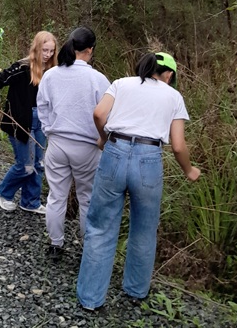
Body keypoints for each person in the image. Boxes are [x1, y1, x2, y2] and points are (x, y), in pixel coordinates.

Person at [76, 52, 201, 311]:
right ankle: (136, 290)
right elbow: (178, 146)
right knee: (144, 229)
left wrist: (103, 139)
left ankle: (90, 298)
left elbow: (99, 114)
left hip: (115, 151)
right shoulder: (173, 96)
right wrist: (189, 171)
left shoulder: (121, 84)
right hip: (149, 159)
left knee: (100, 227)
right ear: (168, 74)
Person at [37, 27, 110, 261]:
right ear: (90, 49)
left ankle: (55, 244)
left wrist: (49, 130)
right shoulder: (98, 79)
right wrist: (103, 138)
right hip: (88, 146)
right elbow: (107, 114)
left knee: (56, 196)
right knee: (87, 197)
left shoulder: (51, 75)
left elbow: (42, 107)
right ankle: (87, 247)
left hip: (57, 143)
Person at [0, 31, 58, 214]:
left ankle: (30, 201)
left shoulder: (53, 72)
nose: (48, 55)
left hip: (42, 121)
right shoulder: (22, 68)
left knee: (38, 164)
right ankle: (3, 192)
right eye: (44, 50)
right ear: (36, 48)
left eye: (51, 51)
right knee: (25, 166)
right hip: (20, 121)